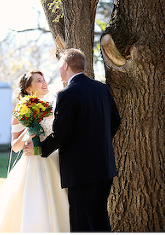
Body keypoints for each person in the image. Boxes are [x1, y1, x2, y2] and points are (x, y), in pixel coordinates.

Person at [0, 70, 70, 232]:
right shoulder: (21, 111)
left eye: (44, 79)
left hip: (53, 158)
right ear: (29, 88)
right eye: (39, 81)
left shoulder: (53, 107)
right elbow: (16, 147)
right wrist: (29, 132)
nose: (44, 82)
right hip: (32, 162)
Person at [38, 48, 121, 232]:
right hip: (104, 166)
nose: (59, 70)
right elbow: (116, 121)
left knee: (82, 223)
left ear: (66, 66)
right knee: (100, 218)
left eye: (60, 66)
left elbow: (61, 133)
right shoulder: (102, 88)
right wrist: (99, 141)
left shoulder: (67, 94)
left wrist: (40, 150)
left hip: (80, 170)